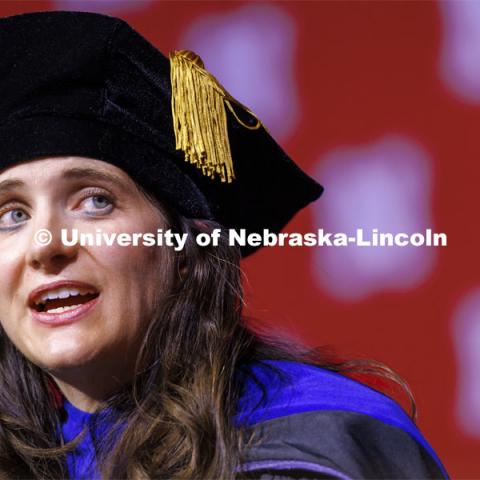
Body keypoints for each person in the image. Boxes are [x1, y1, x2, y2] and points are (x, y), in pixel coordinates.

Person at [0, 10, 448, 480]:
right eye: (12, 215)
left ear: (186, 253)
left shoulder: (299, 451)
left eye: (95, 201)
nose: (46, 246)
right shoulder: (38, 455)